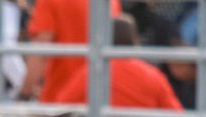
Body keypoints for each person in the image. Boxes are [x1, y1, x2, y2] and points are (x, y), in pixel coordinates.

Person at [50, 15, 183, 110]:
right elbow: (177, 116)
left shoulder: (92, 73)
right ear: (135, 41)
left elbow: (60, 106)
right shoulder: (153, 76)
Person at [19, 0, 122, 102]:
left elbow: (40, 53)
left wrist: (24, 94)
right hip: (101, 100)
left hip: (60, 101)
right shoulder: (110, 2)